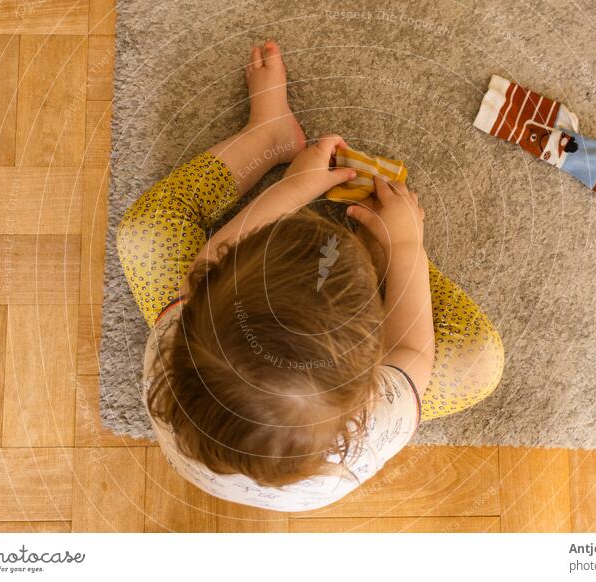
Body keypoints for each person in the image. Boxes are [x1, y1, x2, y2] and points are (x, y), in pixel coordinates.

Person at [117, 40, 504, 511]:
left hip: (211, 421)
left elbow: (207, 261)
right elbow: (412, 356)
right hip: (361, 393)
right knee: (477, 362)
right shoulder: (374, 420)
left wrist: (293, 187)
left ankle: (268, 136)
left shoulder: (175, 345)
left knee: (147, 233)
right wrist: (404, 246)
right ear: (368, 368)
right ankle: (388, 248)